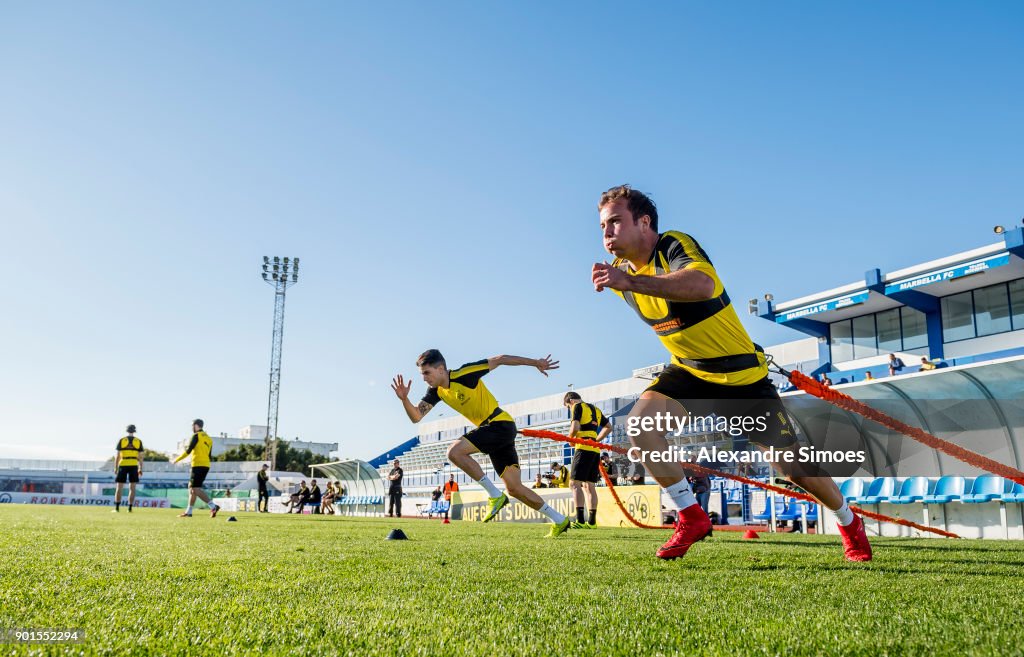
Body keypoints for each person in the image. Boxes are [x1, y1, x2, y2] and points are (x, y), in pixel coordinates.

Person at [592, 184, 870, 561]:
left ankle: (848, 521)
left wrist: (631, 281)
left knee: (795, 469)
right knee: (641, 427)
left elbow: (703, 285)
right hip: (690, 374)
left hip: (742, 378)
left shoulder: (673, 245)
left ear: (644, 222)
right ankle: (691, 516)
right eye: (603, 226)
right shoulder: (618, 276)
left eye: (615, 222)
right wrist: (625, 279)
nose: (606, 233)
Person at [392, 350, 571, 537]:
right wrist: (405, 399)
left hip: (499, 424)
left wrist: (536, 362)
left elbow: (500, 359)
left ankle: (494, 495)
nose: (424, 379)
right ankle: (559, 520)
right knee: (515, 488)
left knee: (454, 452)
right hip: (495, 432)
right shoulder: (436, 392)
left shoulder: (465, 374)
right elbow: (416, 416)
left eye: (426, 373)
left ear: (441, 369)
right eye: (422, 374)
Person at [564, 392, 612, 527]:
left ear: (571, 401)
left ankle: (579, 520)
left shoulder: (577, 406)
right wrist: (596, 440)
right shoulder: (596, 409)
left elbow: (575, 426)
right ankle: (592, 522)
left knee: (574, 484)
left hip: (583, 447)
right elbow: (609, 427)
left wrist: (570, 439)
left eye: (568, 406)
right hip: (595, 450)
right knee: (589, 486)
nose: (570, 409)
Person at [173, 419, 220, 519]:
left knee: (195, 489)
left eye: (192, 425)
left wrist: (176, 460)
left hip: (198, 465)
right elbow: (209, 455)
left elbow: (188, 451)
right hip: (206, 465)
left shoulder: (196, 436)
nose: (191, 428)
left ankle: (213, 506)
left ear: (196, 425)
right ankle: (189, 512)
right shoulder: (209, 438)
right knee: (192, 488)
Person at [113, 424, 144, 513]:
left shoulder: (122, 440)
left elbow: (118, 456)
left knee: (119, 487)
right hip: (134, 465)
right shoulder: (138, 441)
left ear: (127, 431)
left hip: (123, 464)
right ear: (134, 431)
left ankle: (117, 508)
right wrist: (140, 468)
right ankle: (129, 508)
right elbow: (141, 457)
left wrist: (115, 467)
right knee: (132, 488)